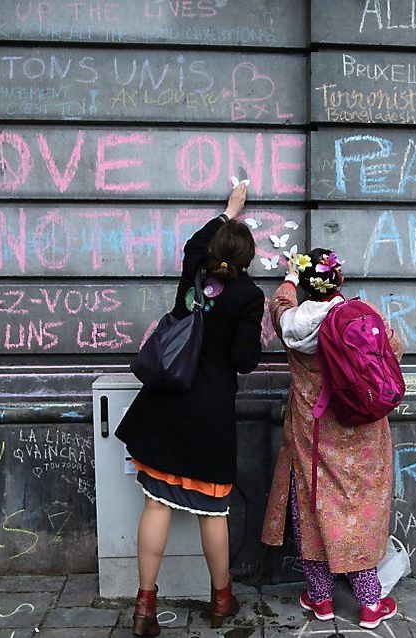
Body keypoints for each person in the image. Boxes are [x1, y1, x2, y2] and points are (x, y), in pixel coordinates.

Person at [115, 183, 264, 636]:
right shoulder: (249, 297)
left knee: (156, 505)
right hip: (208, 417)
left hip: (165, 407)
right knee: (212, 513)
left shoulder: (194, 273)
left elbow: (193, 245)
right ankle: (222, 599)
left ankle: (144, 606)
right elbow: (245, 361)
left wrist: (228, 212)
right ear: (247, 261)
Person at [261, 247, 403, 630]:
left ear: (307, 286)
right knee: (360, 512)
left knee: (312, 507)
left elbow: (279, 306)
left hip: (314, 431)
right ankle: (370, 603)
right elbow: (394, 352)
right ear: (338, 280)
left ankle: (321, 598)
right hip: (363, 432)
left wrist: (290, 276)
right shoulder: (363, 317)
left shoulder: (291, 325)